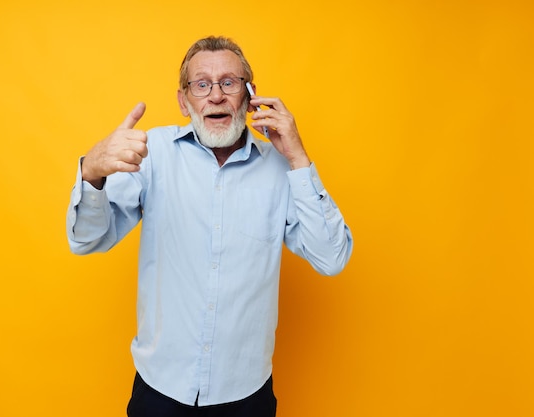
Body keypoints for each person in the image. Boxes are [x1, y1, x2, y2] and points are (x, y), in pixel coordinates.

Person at [66, 35, 353, 417]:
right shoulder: (152, 153)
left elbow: (332, 257)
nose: (215, 95)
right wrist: (93, 175)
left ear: (251, 95)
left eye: (229, 83)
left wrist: (299, 157)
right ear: (184, 101)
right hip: (160, 389)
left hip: (246, 394)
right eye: (201, 84)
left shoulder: (281, 167)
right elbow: (87, 239)